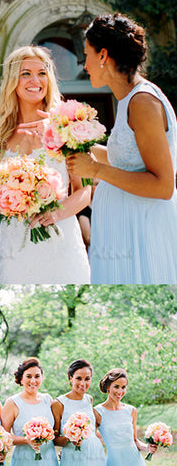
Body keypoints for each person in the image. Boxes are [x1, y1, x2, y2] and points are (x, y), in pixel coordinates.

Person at [66, 14, 177, 282]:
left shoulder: (143, 102)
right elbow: (127, 160)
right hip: (124, 228)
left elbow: (163, 186)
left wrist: (96, 170)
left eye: (87, 55)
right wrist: (71, 141)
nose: (85, 65)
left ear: (103, 55)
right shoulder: (128, 99)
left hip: (142, 230)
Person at [0, 46, 91, 283]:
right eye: (26, 73)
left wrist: (56, 213)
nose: (35, 80)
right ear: (13, 81)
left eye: (42, 73)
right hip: (15, 242)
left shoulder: (67, 128)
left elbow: (85, 190)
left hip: (61, 240)